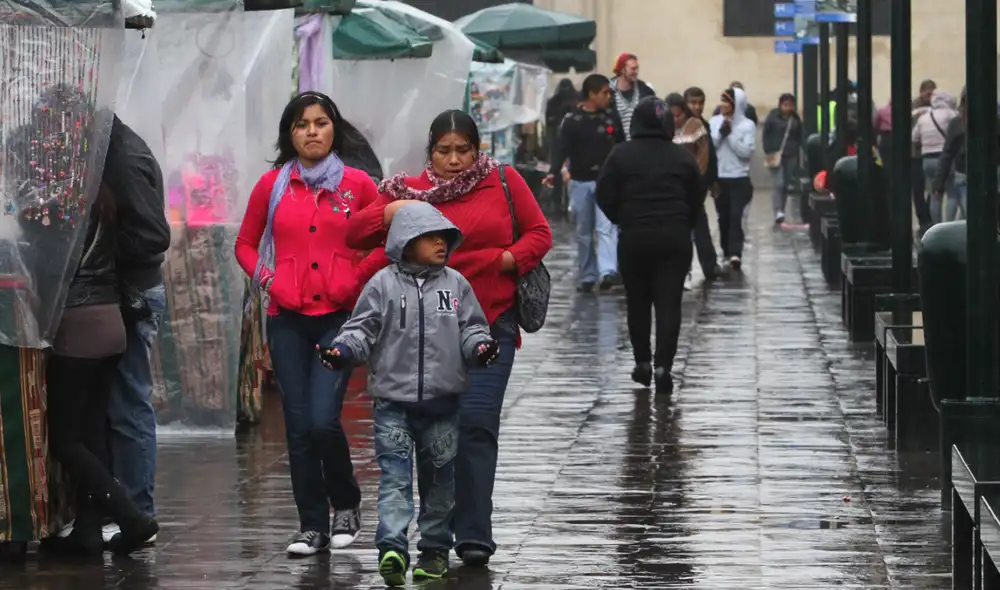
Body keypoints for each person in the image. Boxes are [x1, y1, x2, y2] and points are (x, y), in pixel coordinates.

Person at [345, 109, 552, 567]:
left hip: (489, 321)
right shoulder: (408, 193)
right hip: (423, 332)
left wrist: (507, 261)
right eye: (445, 151)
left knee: (477, 422)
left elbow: (539, 233)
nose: (455, 160)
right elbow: (354, 232)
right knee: (437, 433)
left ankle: (475, 532)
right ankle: (435, 533)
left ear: (478, 151)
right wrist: (391, 211)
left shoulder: (502, 181)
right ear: (430, 152)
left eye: (464, 150)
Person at [235, 91, 386, 556]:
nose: (312, 131)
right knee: (297, 427)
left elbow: (385, 242)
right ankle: (311, 525)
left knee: (323, 420)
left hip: (340, 319)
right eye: (302, 124)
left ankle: (346, 502)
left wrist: (354, 279)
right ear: (290, 134)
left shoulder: (359, 185)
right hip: (287, 319)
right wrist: (269, 281)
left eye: (321, 122)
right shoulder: (272, 185)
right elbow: (244, 244)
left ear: (334, 129)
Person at [320, 202, 499, 586]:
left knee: (440, 484)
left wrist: (481, 347)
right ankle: (391, 549)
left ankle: (434, 550)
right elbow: (361, 328)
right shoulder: (383, 284)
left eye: (445, 238)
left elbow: (471, 327)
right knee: (394, 480)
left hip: (443, 406)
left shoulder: (456, 284)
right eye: (431, 238)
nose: (441, 245)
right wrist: (343, 352)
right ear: (406, 241)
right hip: (392, 406)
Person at [46, 181, 160, 557]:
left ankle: (131, 518)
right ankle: (89, 530)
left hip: (77, 327)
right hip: (111, 322)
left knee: (66, 440)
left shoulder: (54, 203)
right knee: (93, 434)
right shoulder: (101, 194)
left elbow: (48, 269)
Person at [596, 97, 701, 394]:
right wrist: (683, 223)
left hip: (634, 237)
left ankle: (642, 360)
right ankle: (663, 365)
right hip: (674, 237)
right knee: (669, 304)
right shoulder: (681, 157)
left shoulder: (621, 155)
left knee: (638, 302)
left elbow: (603, 192)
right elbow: (696, 197)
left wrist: (621, 216)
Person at [101, 115, 170, 547]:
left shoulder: (118, 153)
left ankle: (138, 512)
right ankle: (128, 508)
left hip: (130, 292)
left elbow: (152, 234)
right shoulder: (117, 145)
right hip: (126, 290)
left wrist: (91, 249)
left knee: (128, 404)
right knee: (119, 403)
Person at [544, 74, 625, 292]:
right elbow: (561, 148)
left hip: (606, 182)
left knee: (607, 227)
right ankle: (588, 274)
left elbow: (621, 147)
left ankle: (608, 271)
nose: (608, 97)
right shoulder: (572, 120)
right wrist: (554, 171)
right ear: (592, 94)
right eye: (604, 93)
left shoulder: (610, 119)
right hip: (580, 181)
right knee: (583, 230)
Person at [709, 87, 756, 271]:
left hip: (739, 178)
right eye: (722, 100)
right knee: (723, 217)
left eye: (727, 101)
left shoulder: (747, 125)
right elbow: (710, 147)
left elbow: (746, 153)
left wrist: (730, 136)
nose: (723, 105)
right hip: (720, 178)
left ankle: (736, 252)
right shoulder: (714, 122)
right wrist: (721, 133)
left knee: (736, 215)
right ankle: (726, 250)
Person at [683, 86, 721, 280]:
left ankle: (709, 265)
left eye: (700, 103)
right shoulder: (681, 125)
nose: (697, 107)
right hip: (682, 185)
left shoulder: (703, 124)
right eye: (693, 103)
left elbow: (710, 156)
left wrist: (712, 181)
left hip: (698, 185)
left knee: (701, 227)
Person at [912, 90, 958, 223]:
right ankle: (949, 225)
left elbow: (914, 138)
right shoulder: (950, 114)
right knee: (952, 193)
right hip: (946, 159)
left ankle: (936, 226)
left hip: (927, 160)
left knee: (934, 194)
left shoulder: (924, 117)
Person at [763, 93, 803, 224]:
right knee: (778, 183)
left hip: (791, 154)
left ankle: (781, 210)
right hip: (775, 154)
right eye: (785, 105)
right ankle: (777, 211)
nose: (788, 108)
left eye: (791, 105)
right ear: (780, 105)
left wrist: (800, 149)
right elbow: (766, 134)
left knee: (785, 184)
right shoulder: (773, 117)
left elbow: (800, 136)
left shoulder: (795, 118)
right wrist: (768, 150)